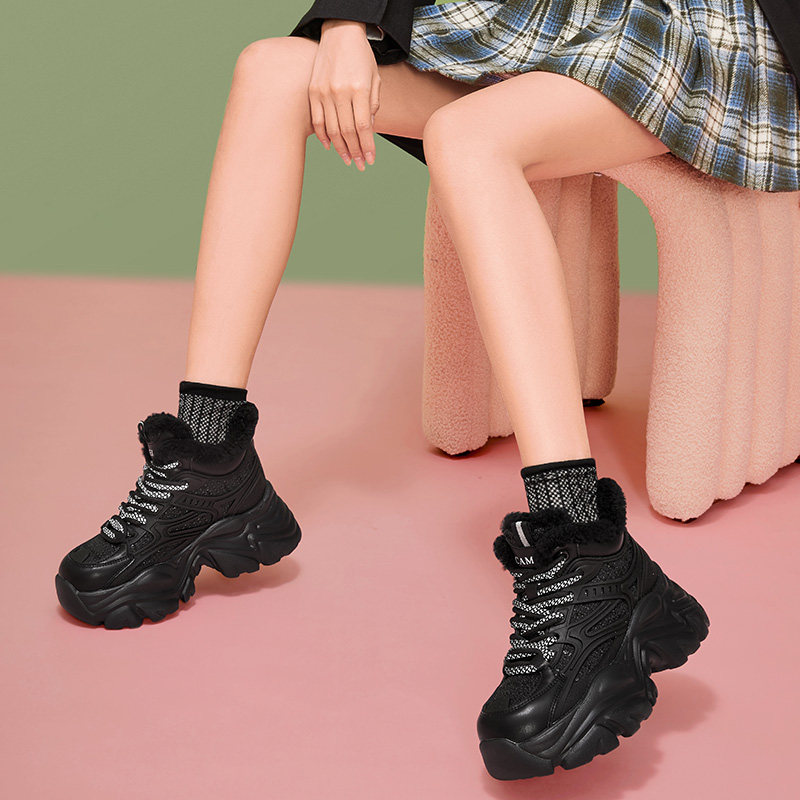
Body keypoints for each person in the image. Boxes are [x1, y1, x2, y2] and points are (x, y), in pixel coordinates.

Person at [55, 0, 799, 780]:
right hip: (540, 19)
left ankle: (586, 546)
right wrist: (347, 23)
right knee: (270, 72)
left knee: (468, 137)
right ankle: (209, 459)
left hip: (686, 29)